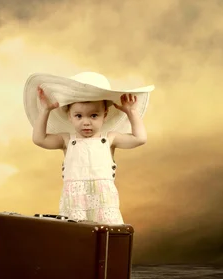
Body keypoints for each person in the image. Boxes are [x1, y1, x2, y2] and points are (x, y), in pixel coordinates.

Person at [23, 71, 154, 224]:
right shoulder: (67, 140)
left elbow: (140, 138)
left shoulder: (109, 139)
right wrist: (45, 110)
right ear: (69, 116)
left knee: (104, 239)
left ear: (104, 114)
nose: (86, 122)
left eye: (93, 116)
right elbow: (39, 139)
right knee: (78, 240)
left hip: (104, 205)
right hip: (75, 206)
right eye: (79, 116)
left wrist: (132, 112)